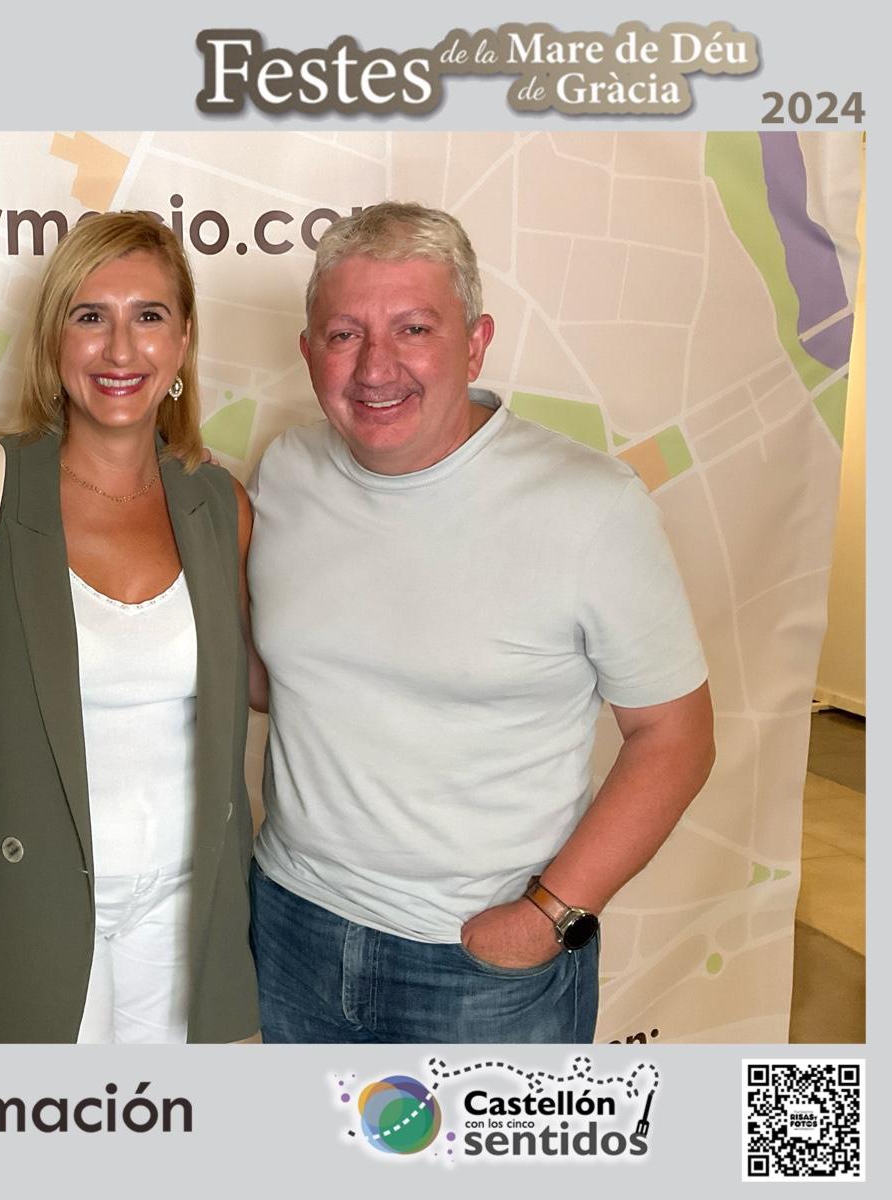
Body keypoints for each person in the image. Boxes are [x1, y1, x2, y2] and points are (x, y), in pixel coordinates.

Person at [247, 202, 716, 1044]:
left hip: (479, 967)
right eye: (346, 334)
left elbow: (675, 738)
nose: (376, 367)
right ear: (309, 351)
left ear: (475, 343)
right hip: (291, 926)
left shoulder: (591, 506)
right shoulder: (285, 471)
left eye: (414, 328)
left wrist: (547, 917)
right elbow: (280, 679)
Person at [0, 212, 262, 1043]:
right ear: (54, 340)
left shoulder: (219, 504)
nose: (120, 349)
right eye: (90, 316)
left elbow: (256, 685)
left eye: (148, 316)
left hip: (185, 901)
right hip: (29, 896)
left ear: (182, 341)